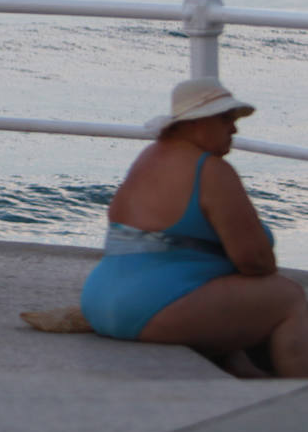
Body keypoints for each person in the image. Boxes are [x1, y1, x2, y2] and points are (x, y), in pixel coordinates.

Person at [81, 77, 308, 377]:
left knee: (224, 289)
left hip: (99, 300)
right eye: (226, 119)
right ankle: (298, 399)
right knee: (288, 297)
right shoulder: (211, 171)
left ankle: (242, 369)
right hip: (151, 307)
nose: (235, 129)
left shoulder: (148, 158)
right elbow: (256, 263)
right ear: (195, 123)